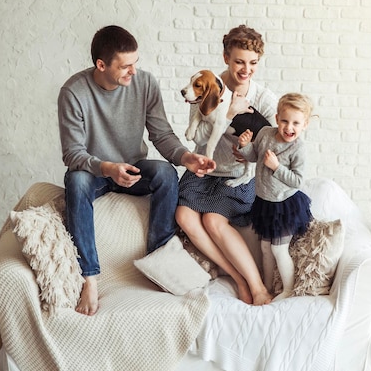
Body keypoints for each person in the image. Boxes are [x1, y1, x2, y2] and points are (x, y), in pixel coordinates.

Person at [58, 25, 216, 316]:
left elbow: (161, 134)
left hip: (132, 166)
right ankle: (89, 277)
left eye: (135, 63)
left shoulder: (144, 84)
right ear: (101, 65)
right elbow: (72, 153)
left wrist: (186, 158)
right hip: (95, 171)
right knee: (76, 181)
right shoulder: (73, 92)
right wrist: (106, 168)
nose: (133, 71)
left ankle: (159, 260)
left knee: (166, 172)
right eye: (125, 66)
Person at [175, 24, 277, 305]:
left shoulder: (263, 99)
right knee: (184, 216)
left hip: (236, 175)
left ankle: (256, 286)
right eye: (239, 62)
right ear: (226, 58)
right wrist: (229, 113)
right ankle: (236, 276)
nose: (246, 69)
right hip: (203, 170)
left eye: (253, 63)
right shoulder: (207, 84)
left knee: (212, 220)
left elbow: (278, 141)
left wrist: (252, 152)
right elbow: (199, 134)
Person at [237, 93, 314, 300]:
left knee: (278, 249)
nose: (289, 128)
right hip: (265, 202)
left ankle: (288, 290)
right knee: (265, 248)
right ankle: (268, 287)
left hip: (284, 205)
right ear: (277, 118)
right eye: (285, 121)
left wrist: (277, 167)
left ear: (304, 124)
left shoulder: (298, 148)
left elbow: (297, 180)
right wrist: (245, 147)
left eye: (296, 123)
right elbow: (255, 156)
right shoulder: (265, 134)